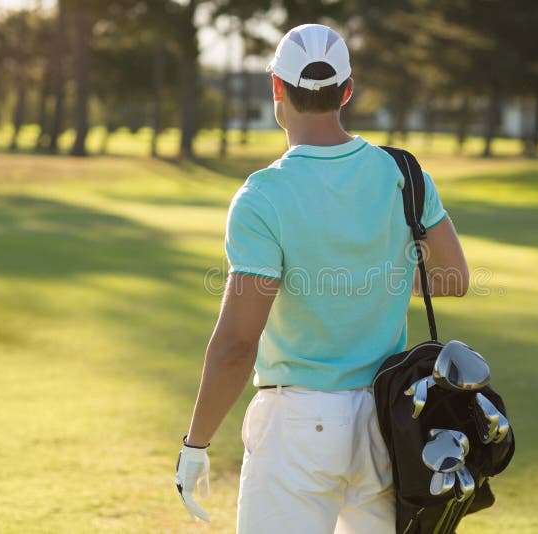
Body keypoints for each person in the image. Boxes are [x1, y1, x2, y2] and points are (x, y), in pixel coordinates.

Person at [175, 23, 469, 533]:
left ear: (277, 90)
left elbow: (237, 344)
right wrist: (376, 279)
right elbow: (453, 276)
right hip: (386, 422)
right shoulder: (404, 173)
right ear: (347, 91)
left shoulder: (263, 195)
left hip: (295, 429)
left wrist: (195, 443)